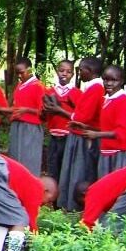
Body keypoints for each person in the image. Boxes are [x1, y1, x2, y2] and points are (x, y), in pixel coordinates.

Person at [45, 56, 104, 210]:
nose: (80, 73)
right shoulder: (91, 88)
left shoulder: (95, 88)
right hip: (68, 135)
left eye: (81, 70)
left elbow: (81, 118)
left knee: (80, 170)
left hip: (84, 136)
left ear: (89, 71)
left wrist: (59, 110)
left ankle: (75, 205)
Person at [76, 65, 126, 178]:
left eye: (113, 80)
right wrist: (85, 127)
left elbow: (122, 132)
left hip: (122, 154)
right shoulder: (107, 100)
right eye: (106, 79)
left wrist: (97, 135)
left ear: (121, 81)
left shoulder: (124, 102)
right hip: (108, 152)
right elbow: (107, 128)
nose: (109, 83)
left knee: (119, 190)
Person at [0, 58, 46, 176]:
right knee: (16, 159)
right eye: (17, 73)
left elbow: (44, 112)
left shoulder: (38, 86)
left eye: (22, 72)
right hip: (17, 126)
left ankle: (31, 188)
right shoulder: (20, 86)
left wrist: (27, 110)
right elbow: (16, 108)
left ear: (30, 69)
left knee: (29, 160)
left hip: (30, 128)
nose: (20, 76)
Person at [42, 60, 79, 182]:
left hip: (69, 137)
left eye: (68, 72)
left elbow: (80, 117)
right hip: (53, 137)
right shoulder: (49, 92)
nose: (64, 74)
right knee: (53, 169)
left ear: (73, 75)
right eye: (62, 70)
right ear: (57, 72)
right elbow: (43, 116)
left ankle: (64, 197)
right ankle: (54, 198)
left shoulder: (77, 93)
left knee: (67, 168)